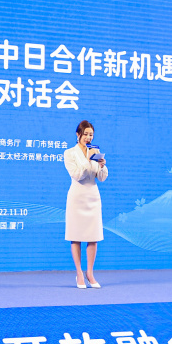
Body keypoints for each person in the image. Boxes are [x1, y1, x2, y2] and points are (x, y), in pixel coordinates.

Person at [64, 120, 108, 289]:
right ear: (78, 134)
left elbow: (101, 178)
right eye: (86, 134)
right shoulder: (69, 153)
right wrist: (88, 160)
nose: (88, 138)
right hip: (77, 198)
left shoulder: (94, 151)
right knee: (75, 236)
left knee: (93, 236)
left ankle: (90, 273)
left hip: (93, 197)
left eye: (91, 135)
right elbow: (77, 175)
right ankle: (79, 273)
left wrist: (102, 166)